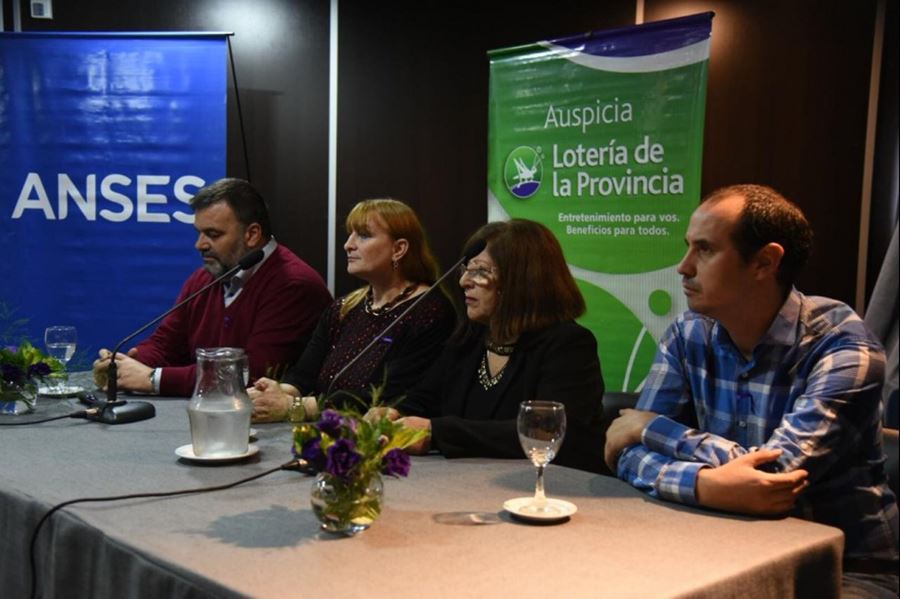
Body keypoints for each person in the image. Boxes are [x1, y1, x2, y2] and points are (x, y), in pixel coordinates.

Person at [604, 184, 899, 596]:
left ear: (764, 262)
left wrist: (650, 427)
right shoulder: (688, 333)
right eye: (688, 247)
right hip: (721, 549)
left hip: (840, 571)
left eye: (704, 250)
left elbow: (775, 478)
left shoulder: (844, 345)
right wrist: (707, 486)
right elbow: (625, 455)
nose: (683, 267)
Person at [394, 219, 607, 474]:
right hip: (461, 484)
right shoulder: (470, 339)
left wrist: (437, 432)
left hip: (540, 490)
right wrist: (393, 413)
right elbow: (423, 400)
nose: (464, 282)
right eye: (467, 269)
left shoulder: (567, 346)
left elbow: (546, 431)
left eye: (481, 272)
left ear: (522, 280)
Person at [93, 178, 332, 397]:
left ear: (252, 234)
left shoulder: (293, 285)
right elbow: (166, 344)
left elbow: (251, 374)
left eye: (213, 234)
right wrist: (124, 364)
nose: (200, 245)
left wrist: (152, 378)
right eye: (199, 233)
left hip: (262, 428)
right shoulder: (205, 278)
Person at [249, 199, 455, 422]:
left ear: (398, 249)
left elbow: (390, 396)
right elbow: (303, 375)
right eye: (350, 234)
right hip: (325, 434)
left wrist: (295, 407)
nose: (348, 244)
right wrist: (278, 393)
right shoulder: (344, 308)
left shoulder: (430, 311)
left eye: (364, 235)